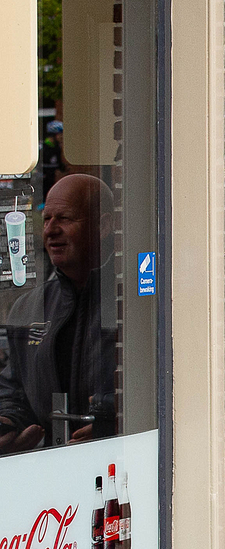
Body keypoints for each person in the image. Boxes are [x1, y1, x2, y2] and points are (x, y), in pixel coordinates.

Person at [0, 173, 118, 456]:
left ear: (103, 226)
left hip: (121, 460)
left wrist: (114, 421)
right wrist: (8, 423)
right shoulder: (29, 307)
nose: (51, 230)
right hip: (54, 467)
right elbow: (13, 389)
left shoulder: (137, 302)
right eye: (47, 219)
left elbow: (158, 387)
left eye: (64, 218)